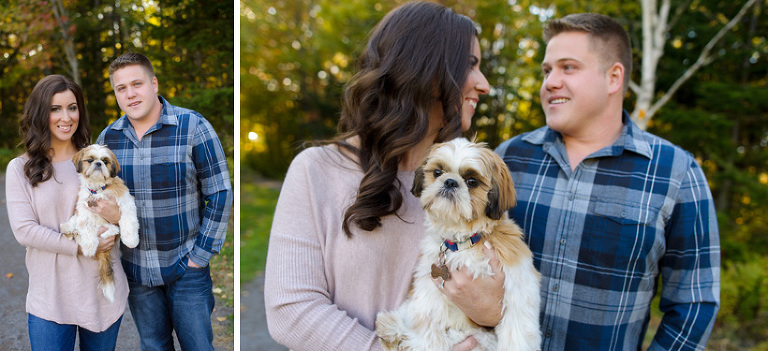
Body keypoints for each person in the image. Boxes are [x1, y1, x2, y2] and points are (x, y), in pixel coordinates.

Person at [264, 2, 506, 350]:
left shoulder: (475, 183)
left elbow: (496, 294)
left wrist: (491, 315)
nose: (483, 85)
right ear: (426, 69)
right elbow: (292, 310)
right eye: (470, 65)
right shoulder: (316, 170)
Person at [495, 13, 720, 350]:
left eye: (568, 67)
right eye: (546, 70)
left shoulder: (676, 173)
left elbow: (693, 304)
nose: (550, 82)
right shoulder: (508, 159)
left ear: (614, 77)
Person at [96, 52, 233, 351]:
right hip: (137, 271)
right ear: (116, 93)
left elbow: (220, 192)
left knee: (198, 346)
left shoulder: (192, 126)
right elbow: (98, 198)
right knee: (154, 346)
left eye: (137, 84)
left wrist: (200, 256)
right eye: (121, 88)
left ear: (154, 83)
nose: (130, 94)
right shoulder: (108, 139)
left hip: (186, 267)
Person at [6, 74, 127, 350]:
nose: (66, 117)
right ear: (40, 113)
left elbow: (118, 207)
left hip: (100, 291)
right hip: (50, 296)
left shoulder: (95, 159)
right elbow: (25, 230)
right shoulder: (20, 168)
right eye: (55, 109)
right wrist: (84, 246)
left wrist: (117, 220)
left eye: (72, 107)